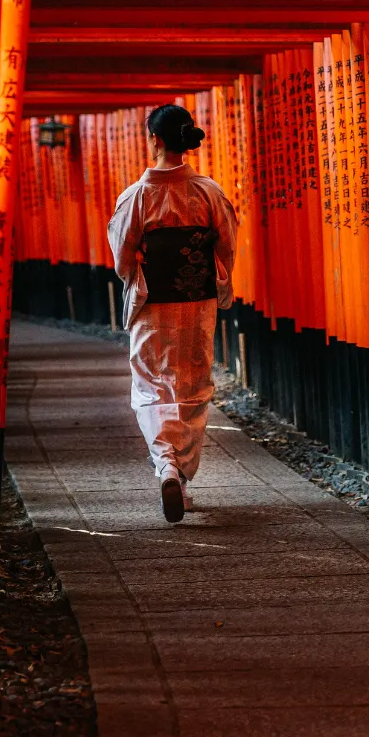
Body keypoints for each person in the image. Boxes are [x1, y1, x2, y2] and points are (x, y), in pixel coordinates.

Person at [107, 103, 238, 523]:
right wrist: (211, 276)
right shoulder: (208, 191)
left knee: (151, 384)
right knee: (193, 383)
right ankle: (179, 473)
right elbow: (226, 247)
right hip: (196, 301)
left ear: (156, 141)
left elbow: (122, 258)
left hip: (152, 301)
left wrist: (140, 266)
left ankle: (166, 465)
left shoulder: (137, 196)